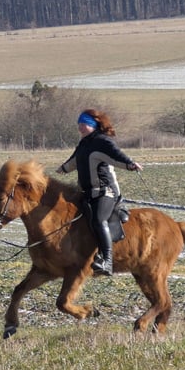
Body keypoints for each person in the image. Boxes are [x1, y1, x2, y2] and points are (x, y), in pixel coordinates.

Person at [57, 109, 143, 276]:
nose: (80, 127)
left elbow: (117, 156)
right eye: (79, 124)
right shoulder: (84, 143)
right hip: (87, 193)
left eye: (83, 124)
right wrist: (63, 169)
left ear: (92, 125)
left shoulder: (102, 141)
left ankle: (107, 261)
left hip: (106, 192)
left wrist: (130, 164)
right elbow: (74, 161)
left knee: (98, 220)